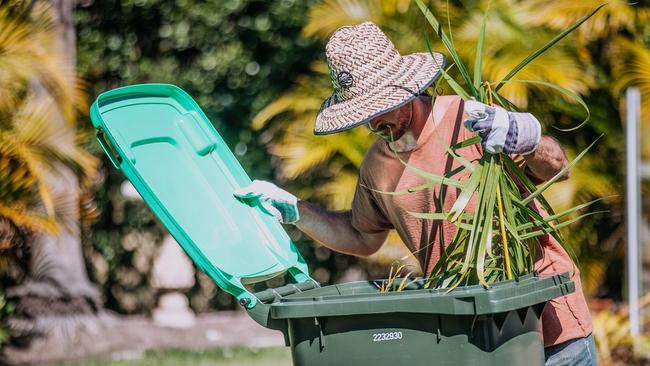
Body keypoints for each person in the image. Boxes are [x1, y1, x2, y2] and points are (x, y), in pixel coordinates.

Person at [234, 22, 596, 365]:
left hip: (547, 324)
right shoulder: (378, 163)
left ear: (405, 87)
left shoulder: (472, 120)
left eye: (379, 108)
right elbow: (363, 236)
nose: (375, 124)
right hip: (465, 334)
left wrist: (527, 138)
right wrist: (297, 211)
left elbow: (558, 170)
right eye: (365, 115)